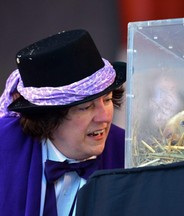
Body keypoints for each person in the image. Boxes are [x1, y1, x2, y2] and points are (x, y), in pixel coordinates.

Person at [0, 29, 126, 216]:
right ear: (48, 117)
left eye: (107, 100)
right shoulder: (4, 146)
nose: (105, 117)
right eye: (85, 107)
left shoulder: (128, 154)